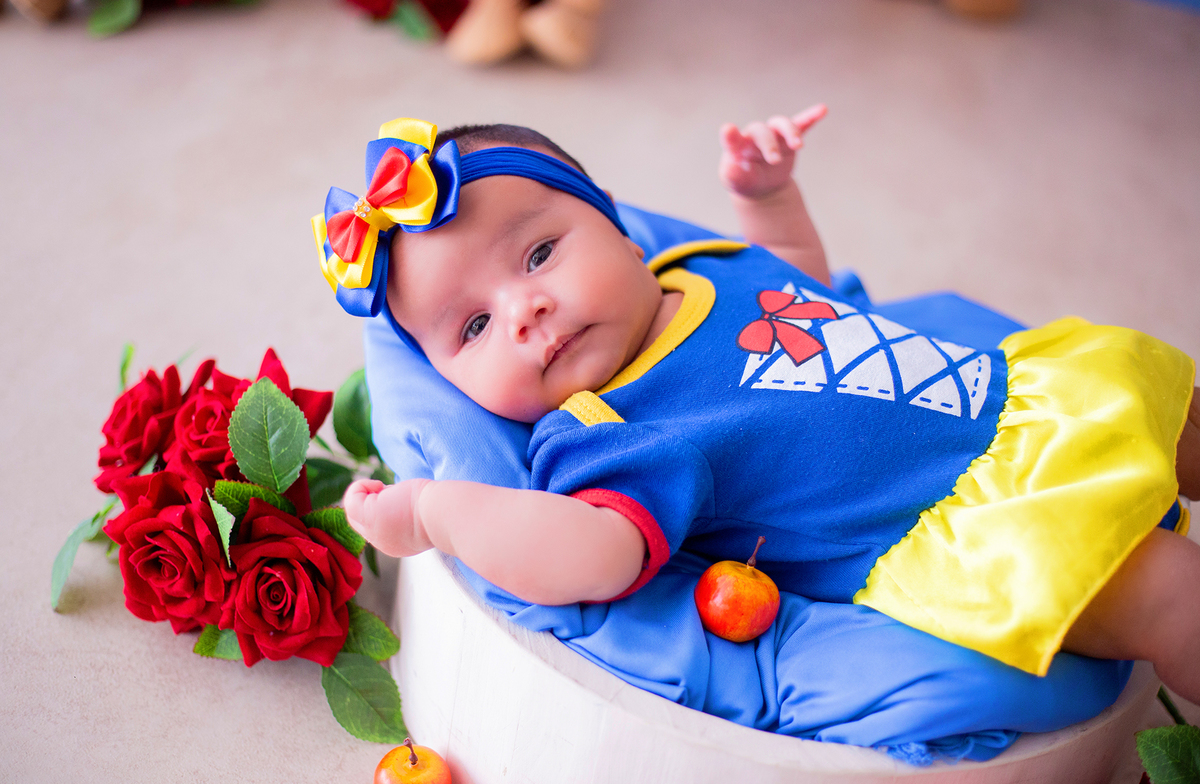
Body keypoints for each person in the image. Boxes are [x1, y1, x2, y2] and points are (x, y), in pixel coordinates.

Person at [313, 112, 1200, 706]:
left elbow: (799, 284)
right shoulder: (605, 432)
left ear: (619, 229)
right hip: (971, 522)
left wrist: (767, 199)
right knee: (1172, 591)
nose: (524, 310)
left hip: (1010, 400)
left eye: (540, 253)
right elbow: (595, 555)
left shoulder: (696, 265)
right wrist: (435, 510)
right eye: (472, 326)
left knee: (1182, 414)